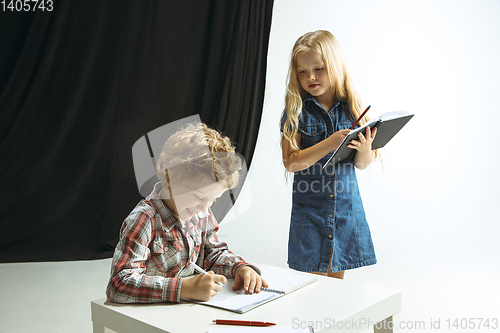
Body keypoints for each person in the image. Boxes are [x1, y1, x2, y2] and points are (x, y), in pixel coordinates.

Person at [106, 122, 266, 303]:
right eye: (198, 196)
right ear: (170, 177)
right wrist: (183, 288)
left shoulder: (200, 213)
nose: (205, 208)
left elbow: (213, 254)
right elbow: (118, 284)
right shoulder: (144, 220)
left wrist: (239, 267)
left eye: (213, 200)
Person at [280, 30, 378, 279]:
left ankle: (333, 319)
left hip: (345, 209)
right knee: (312, 283)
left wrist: (365, 150)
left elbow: (362, 165)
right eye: (302, 71)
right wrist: (330, 143)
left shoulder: (352, 107)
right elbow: (291, 163)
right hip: (309, 210)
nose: (310, 77)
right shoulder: (296, 111)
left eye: (318, 69)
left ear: (334, 66)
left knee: (336, 286)